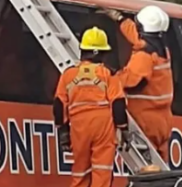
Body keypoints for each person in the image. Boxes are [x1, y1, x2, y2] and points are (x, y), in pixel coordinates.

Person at [54, 26, 129, 187]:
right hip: (103, 125)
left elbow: (59, 106)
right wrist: (123, 128)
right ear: (99, 53)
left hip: (79, 126)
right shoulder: (108, 74)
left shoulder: (68, 75)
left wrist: (63, 131)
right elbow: (118, 103)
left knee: (80, 171)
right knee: (102, 171)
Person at [99, 5, 174, 163]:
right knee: (161, 171)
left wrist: (107, 76)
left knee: (147, 174)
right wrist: (120, 19)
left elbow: (132, 81)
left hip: (145, 123)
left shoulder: (143, 57)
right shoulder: (163, 51)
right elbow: (138, 38)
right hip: (163, 122)